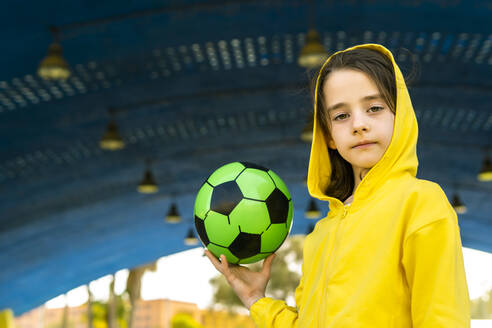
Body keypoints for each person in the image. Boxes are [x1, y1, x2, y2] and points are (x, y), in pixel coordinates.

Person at [205, 43, 471, 327]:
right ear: (329, 135)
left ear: (401, 116)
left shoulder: (421, 203)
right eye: (341, 115)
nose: (359, 124)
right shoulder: (322, 232)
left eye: (375, 108)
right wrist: (256, 299)